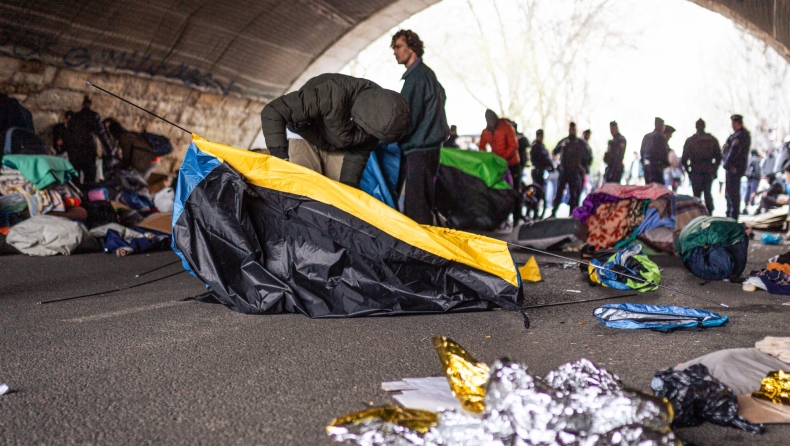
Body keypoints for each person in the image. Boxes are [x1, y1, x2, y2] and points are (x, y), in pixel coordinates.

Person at [260, 73, 408, 190]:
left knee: (338, 195)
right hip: (304, 134)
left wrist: (349, 187)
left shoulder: (378, 122)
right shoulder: (332, 94)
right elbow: (273, 112)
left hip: (335, 142)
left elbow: (358, 153)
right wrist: (281, 160)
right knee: (305, 188)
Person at [391, 29, 450, 224]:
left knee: (416, 208)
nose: (394, 51)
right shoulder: (428, 75)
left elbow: (406, 119)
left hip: (419, 150)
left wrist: (384, 137)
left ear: (412, 48)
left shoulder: (415, 79)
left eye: (398, 46)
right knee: (423, 203)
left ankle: (419, 253)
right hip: (430, 148)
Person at [479, 110, 521, 225]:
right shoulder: (486, 132)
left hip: (512, 164)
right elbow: (481, 148)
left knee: (515, 191)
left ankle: (517, 219)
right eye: (489, 121)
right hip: (497, 166)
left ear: (496, 119)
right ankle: (500, 219)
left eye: (492, 120)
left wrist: (502, 159)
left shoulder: (507, 127)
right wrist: (487, 160)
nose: (491, 123)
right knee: (498, 191)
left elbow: (514, 146)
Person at [63, 95, 112, 184]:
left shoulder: (74, 117)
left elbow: (67, 136)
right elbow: (102, 135)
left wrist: (69, 151)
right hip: (88, 151)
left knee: (75, 179)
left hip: (75, 152)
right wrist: (109, 151)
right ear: (91, 105)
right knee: (90, 178)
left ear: (82, 105)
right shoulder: (94, 116)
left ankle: (76, 196)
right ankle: (88, 196)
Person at [550, 122, 590, 217]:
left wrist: (583, 167)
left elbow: (588, 156)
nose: (572, 130)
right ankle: (554, 212)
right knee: (559, 193)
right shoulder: (565, 141)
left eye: (573, 129)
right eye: (570, 129)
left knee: (573, 195)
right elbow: (555, 151)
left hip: (574, 172)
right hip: (564, 172)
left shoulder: (580, 143)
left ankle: (573, 214)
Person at [681, 118, 721, 214]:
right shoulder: (712, 140)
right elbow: (719, 157)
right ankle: (709, 214)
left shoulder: (691, 140)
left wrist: (689, 172)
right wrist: (713, 170)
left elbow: (684, 159)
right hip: (707, 170)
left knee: (696, 196)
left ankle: (697, 215)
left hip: (696, 170)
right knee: (708, 194)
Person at [722, 114, 751, 220]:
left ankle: (732, 216)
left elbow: (734, 151)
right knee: (730, 193)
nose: (732, 125)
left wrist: (726, 164)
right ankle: (731, 214)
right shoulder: (737, 135)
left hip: (734, 168)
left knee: (732, 194)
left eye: (733, 123)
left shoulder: (740, 136)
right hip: (733, 168)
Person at [640, 117, 669, 185]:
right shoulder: (661, 136)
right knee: (658, 188)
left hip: (646, 166)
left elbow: (642, 152)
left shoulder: (647, 136)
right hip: (656, 166)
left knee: (649, 187)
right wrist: (665, 164)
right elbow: (663, 153)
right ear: (661, 126)